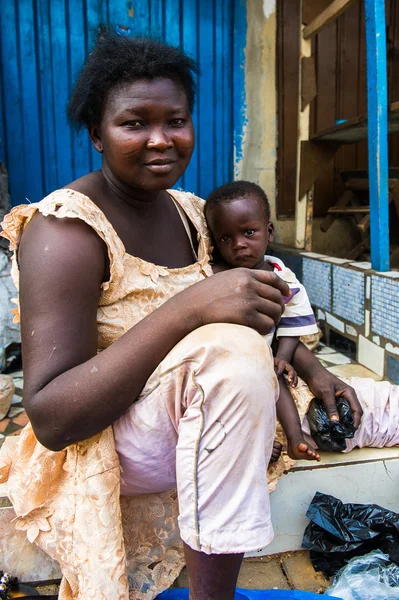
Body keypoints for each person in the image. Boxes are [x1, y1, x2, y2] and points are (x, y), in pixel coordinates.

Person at [0, 33, 362, 600]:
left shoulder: (195, 213)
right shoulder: (65, 232)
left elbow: (253, 307)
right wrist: (188, 308)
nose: (160, 140)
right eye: (133, 124)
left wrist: (315, 371)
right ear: (96, 132)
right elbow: (51, 419)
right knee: (233, 355)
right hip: (109, 441)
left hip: (206, 412)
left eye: (176, 120)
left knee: (375, 406)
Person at [205, 181, 320, 462]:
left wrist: (282, 358)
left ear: (268, 231)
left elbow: (293, 324)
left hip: (261, 358)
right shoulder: (212, 276)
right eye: (226, 239)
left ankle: (295, 437)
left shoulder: (284, 278)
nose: (239, 244)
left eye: (248, 232)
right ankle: (256, 444)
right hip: (221, 361)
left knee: (274, 381)